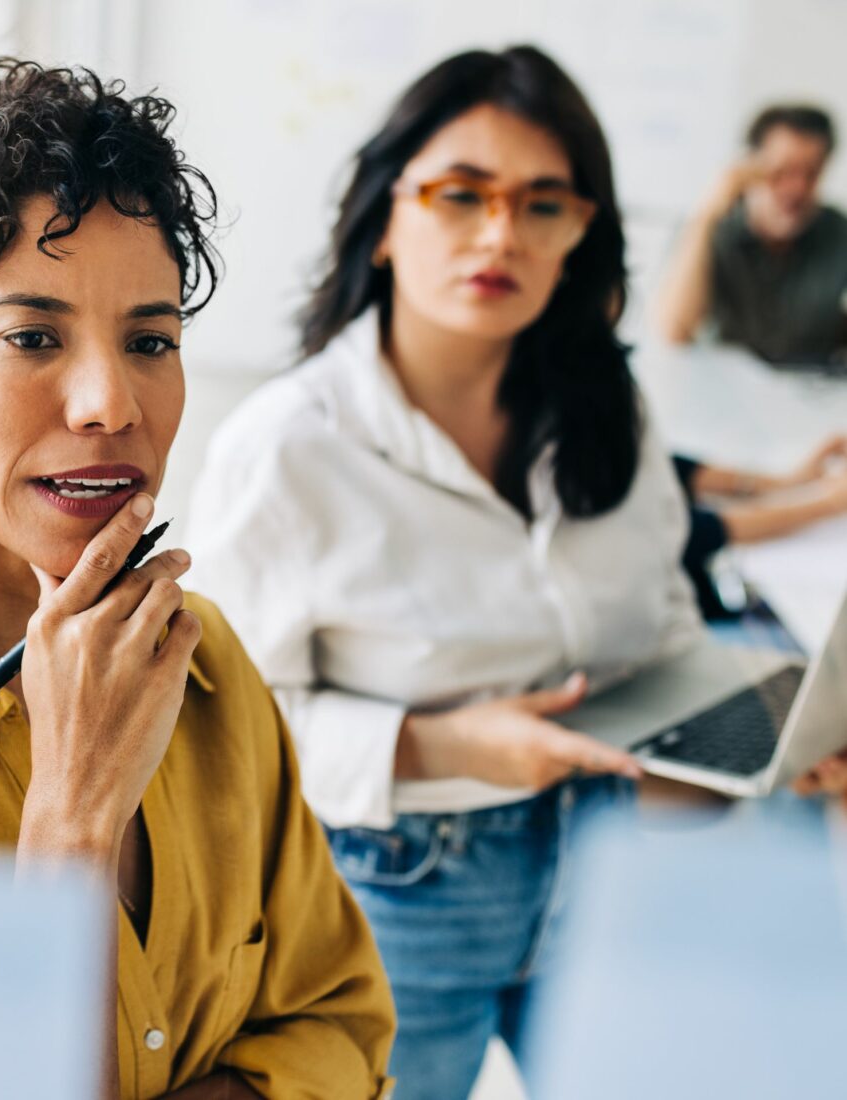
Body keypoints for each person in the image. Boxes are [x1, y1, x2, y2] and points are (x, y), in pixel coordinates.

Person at [0, 60, 394, 1100]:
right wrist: (71, 821)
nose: (108, 401)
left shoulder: (208, 658)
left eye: (150, 340)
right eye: (34, 336)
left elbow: (343, 1022)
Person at [185, 47, 704, 1099]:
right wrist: (436, 743)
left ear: (579, 234)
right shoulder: (288, 446)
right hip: (395, 889)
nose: (500, 233)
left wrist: (749, 744)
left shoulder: (610, 412)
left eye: (542, 204)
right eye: (459, 194)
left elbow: (665, 628)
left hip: (607, 857)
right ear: (386, 221)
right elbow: (220, 735)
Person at [655, 104, 847, 365]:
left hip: (811, 394)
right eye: (782, 171)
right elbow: (674, 331)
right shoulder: (711, 229)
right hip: (727, 393)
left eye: (811, 174)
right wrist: (707, 217)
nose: (797, 188)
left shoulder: (836, 230)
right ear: (750, 168)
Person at [673, 437, 847, 621]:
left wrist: (787, 482)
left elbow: (671, 470)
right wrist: (829, 503)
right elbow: (703, 531)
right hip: (702, 605)